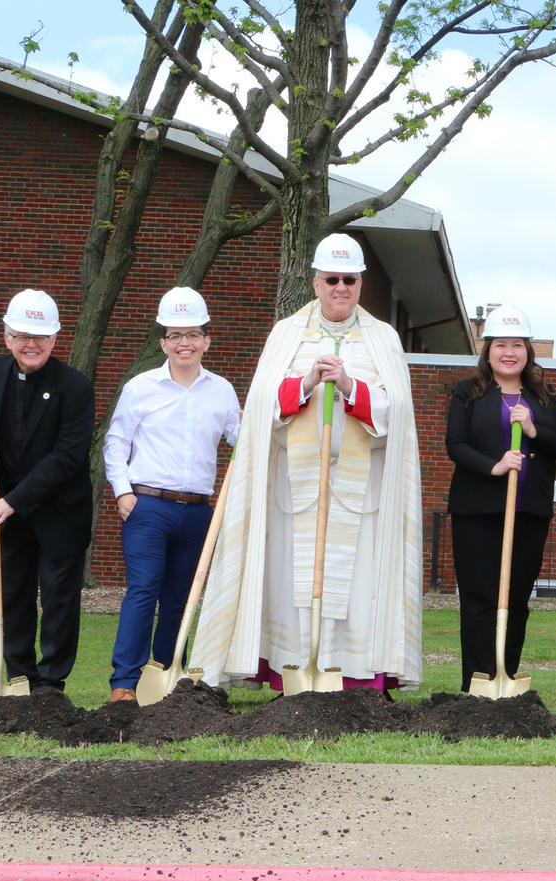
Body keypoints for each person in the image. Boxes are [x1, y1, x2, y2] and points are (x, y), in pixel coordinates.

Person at [190, 233, 423, 693]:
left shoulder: (384, 338)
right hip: (294, 493)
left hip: (360, 497)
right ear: (315, 282)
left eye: (350, 280)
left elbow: (398, 413)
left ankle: (356, 682)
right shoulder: (287, 334)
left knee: (357, 588)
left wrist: (352, 387)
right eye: (332, 279)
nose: (341, 288)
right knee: (289, 585)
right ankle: (289, 673)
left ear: (361, 283)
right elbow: (259, 410)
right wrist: (306, 383)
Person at [102, 287, 241, 702]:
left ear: (206, 341)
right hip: (147, 506)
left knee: (180, 598)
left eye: (193, 334)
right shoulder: (140, 387)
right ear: (163, 342)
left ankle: (162, 677)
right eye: (176, 335)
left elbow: (243, 443)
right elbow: (115, 443)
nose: (185, 343)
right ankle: (124, 684)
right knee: (143, 591)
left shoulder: (222, 391)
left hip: (198, 512)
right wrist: (123, 494)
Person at [0, 289, 95, 694]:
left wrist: (12, 502)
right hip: (9, 509)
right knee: (14, 592)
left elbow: (67, 457)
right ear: (7, 337)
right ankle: (18, 676)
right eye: (22, 336)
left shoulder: (75, 386)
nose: (31, 344)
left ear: (54, 340)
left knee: (58, 598)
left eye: (40, 337)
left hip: (60, 510)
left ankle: (50, 684)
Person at [445, 305, 556, 691]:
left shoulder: (543, 396)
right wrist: (495, 466)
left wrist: (534, 429)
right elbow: (455, 444)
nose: (509, 352)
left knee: (517, 597)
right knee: (479, 597)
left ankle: (507, 675)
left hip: (528, 512)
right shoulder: (468, 393)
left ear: (528, 351)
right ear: (487, 351)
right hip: (478, 510)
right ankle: (478, 679)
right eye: (500, 344)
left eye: (517, 344)